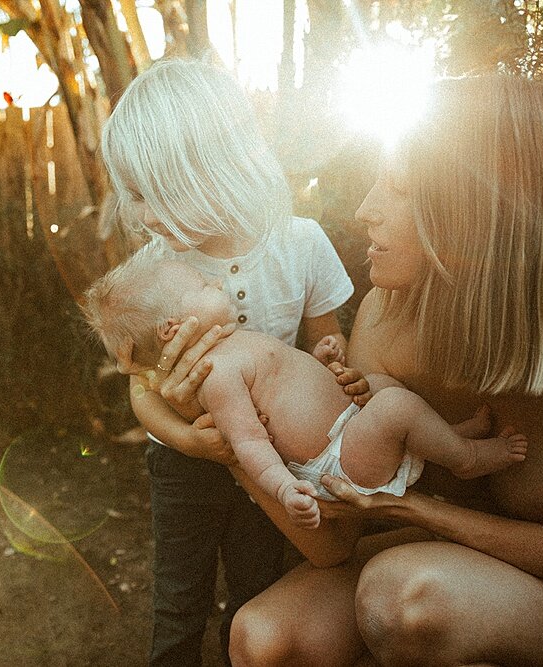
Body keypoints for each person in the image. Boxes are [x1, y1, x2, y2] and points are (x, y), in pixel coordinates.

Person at [165, 74, 543, 665]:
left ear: (475, 203)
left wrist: (419, 511)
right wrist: (231, 430)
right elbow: (333, 544)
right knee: (265, 638)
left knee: (405, 601)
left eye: (399, 188)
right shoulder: (384, 317)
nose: (365, 211)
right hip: (448, 564)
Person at [97, 57, 360, 666]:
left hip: (277, 460)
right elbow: (141, 390)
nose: (139, 216)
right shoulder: (151, 274)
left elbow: (327, 346)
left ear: (208, 169)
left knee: (256, 591)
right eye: (130, 195)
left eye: (148, 194)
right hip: (185, 467)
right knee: (178, 601)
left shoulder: (300, 245)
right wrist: (189, 441)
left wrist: (333, 360)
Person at [82, 254, 529, 529]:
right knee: (394, 406)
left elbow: (289, 390)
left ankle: (447, 433)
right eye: (202, 287)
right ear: (172, 328)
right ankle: (468, 459)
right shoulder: (215, 376)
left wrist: (321, 358)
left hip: (346, 430)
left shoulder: (232, 346)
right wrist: (283, 490)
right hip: (337, 459)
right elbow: (250, 441)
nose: (216, 283)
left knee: (381, 388)